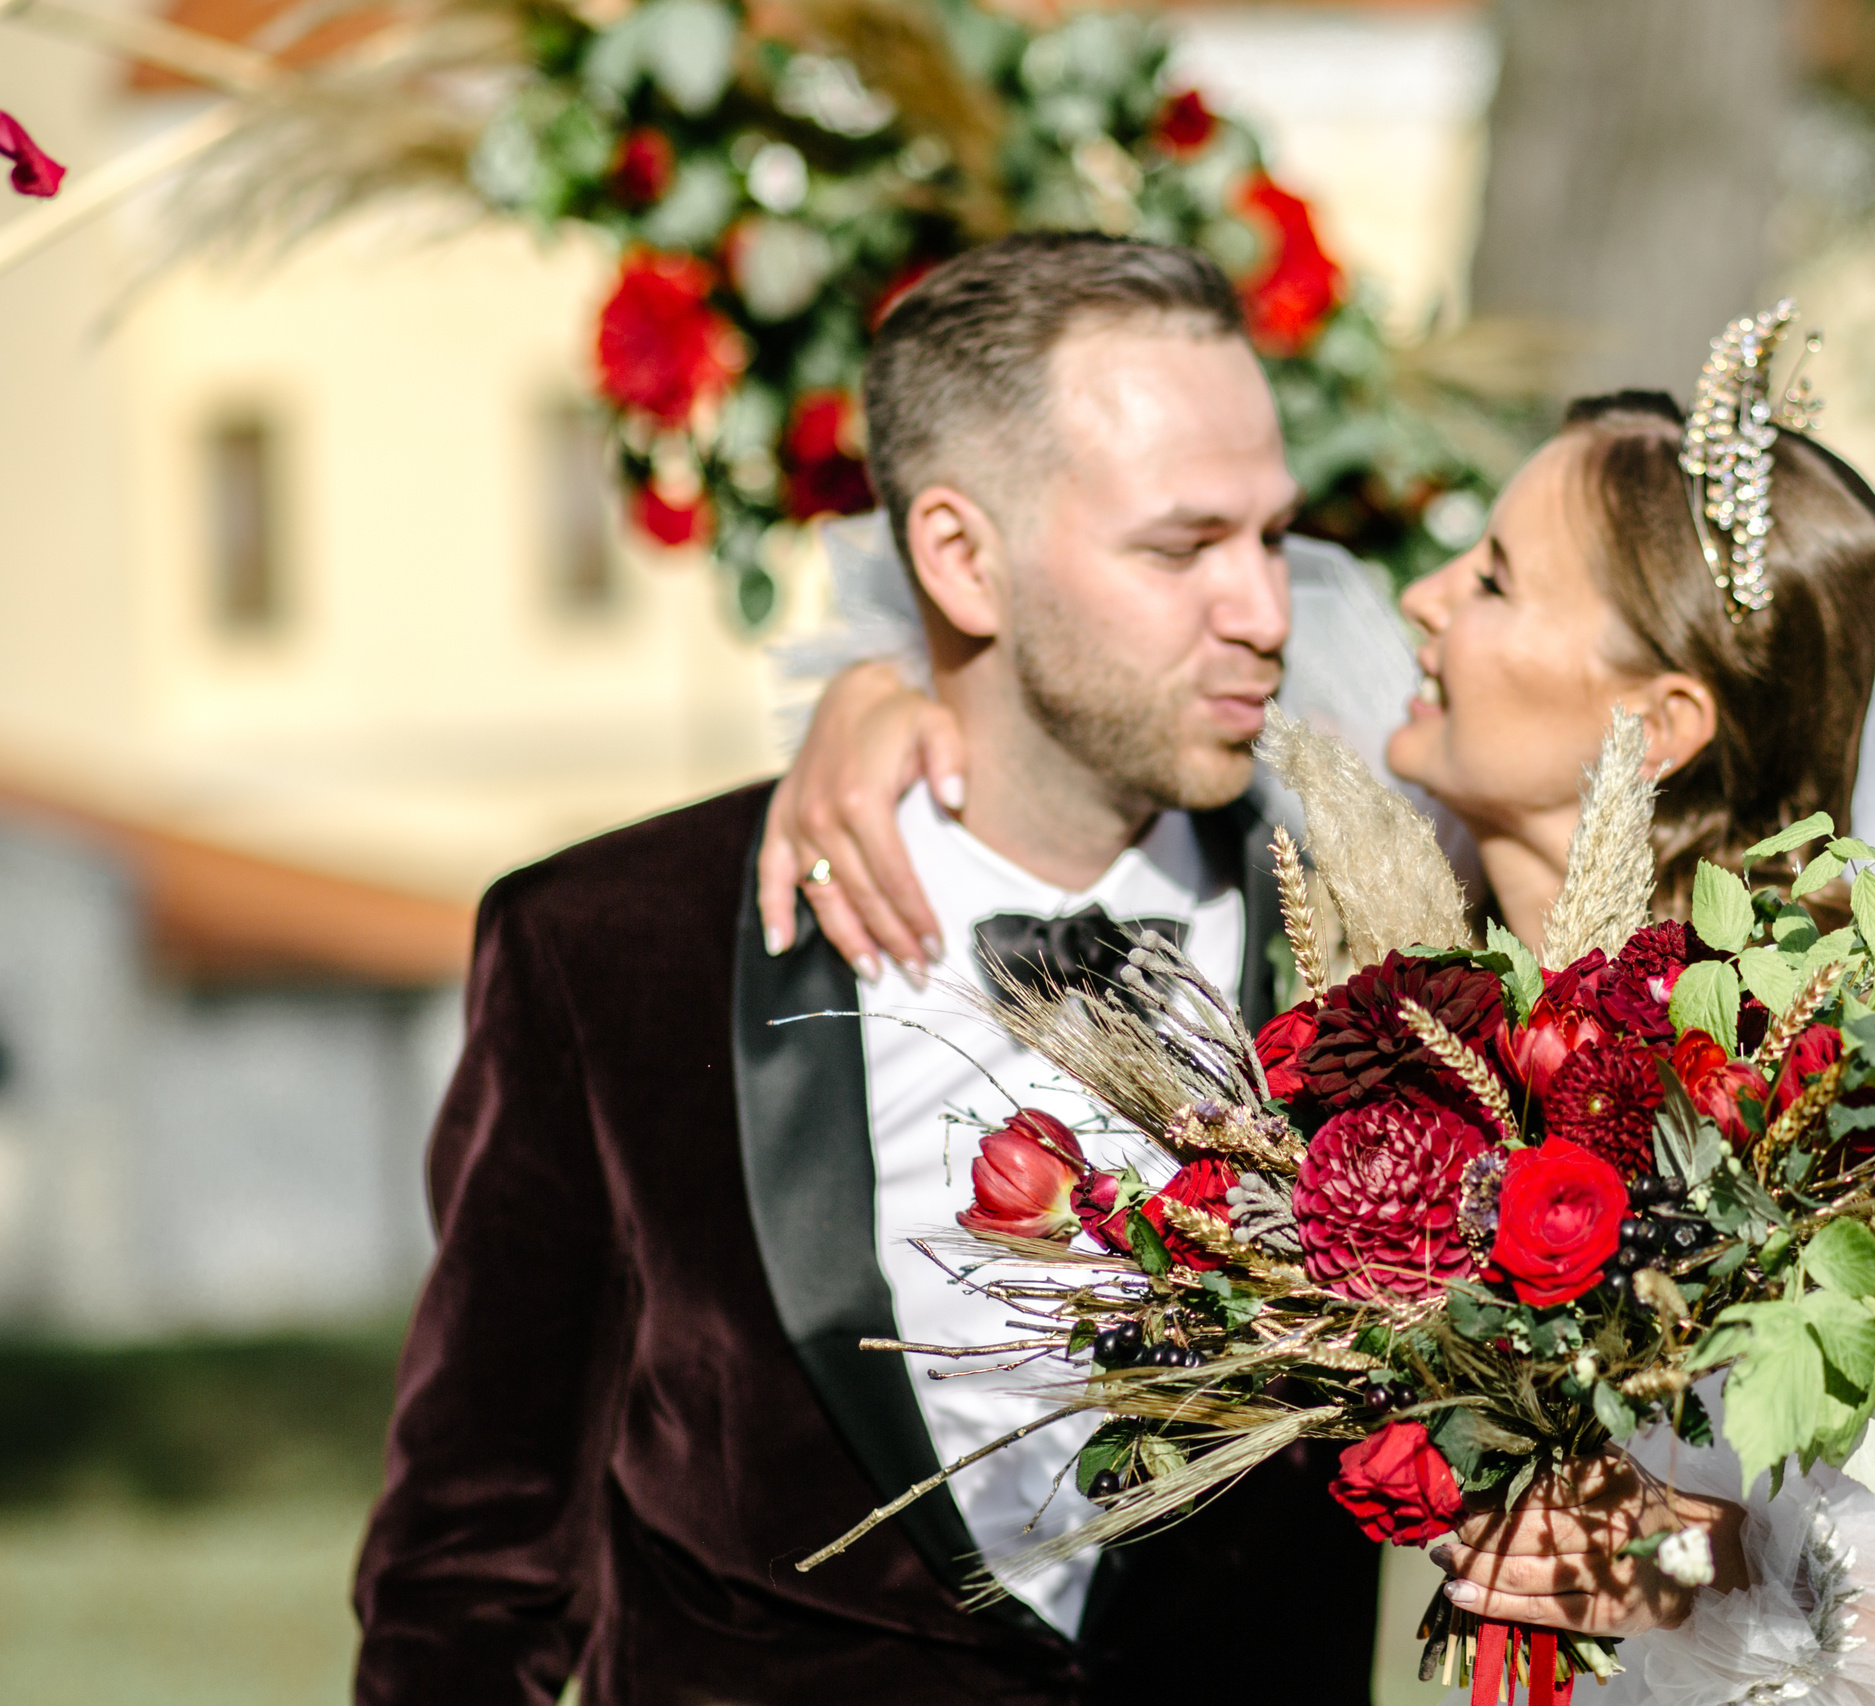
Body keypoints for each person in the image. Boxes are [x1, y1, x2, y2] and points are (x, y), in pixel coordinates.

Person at [760, 368, 1875, 1703]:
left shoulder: (1817, 1087)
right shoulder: (1389, 938)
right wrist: (884, 695)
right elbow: (1084, 671)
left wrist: (1679, 1558)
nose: (1420, 599)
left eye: (1492, 580)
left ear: (1655, 724)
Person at [352, 233, 1382, 1706]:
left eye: (1274, 537)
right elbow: (471, 1570)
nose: (1266, 612)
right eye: (1180, 549)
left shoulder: (1380, 956)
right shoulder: (610, 950)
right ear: (961, 559)